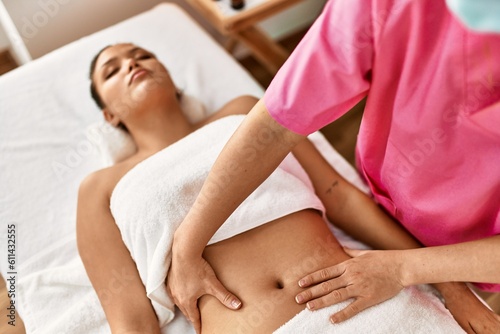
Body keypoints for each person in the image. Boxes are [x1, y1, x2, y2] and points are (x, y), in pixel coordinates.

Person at [77, 43, 472, 334]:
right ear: (110, 116)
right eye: (112, 71)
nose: (132, 63)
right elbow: (130, 318)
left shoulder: (245, 113)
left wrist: (453, 288)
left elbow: (339, 194)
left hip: (364, 306)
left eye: (144, 54)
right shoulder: (101, 189)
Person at [167, 0, 500, 333]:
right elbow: (279, 123)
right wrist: (185, 245)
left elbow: (336, 192)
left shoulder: (236, 108)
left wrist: (417, 272)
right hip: (395, 209)